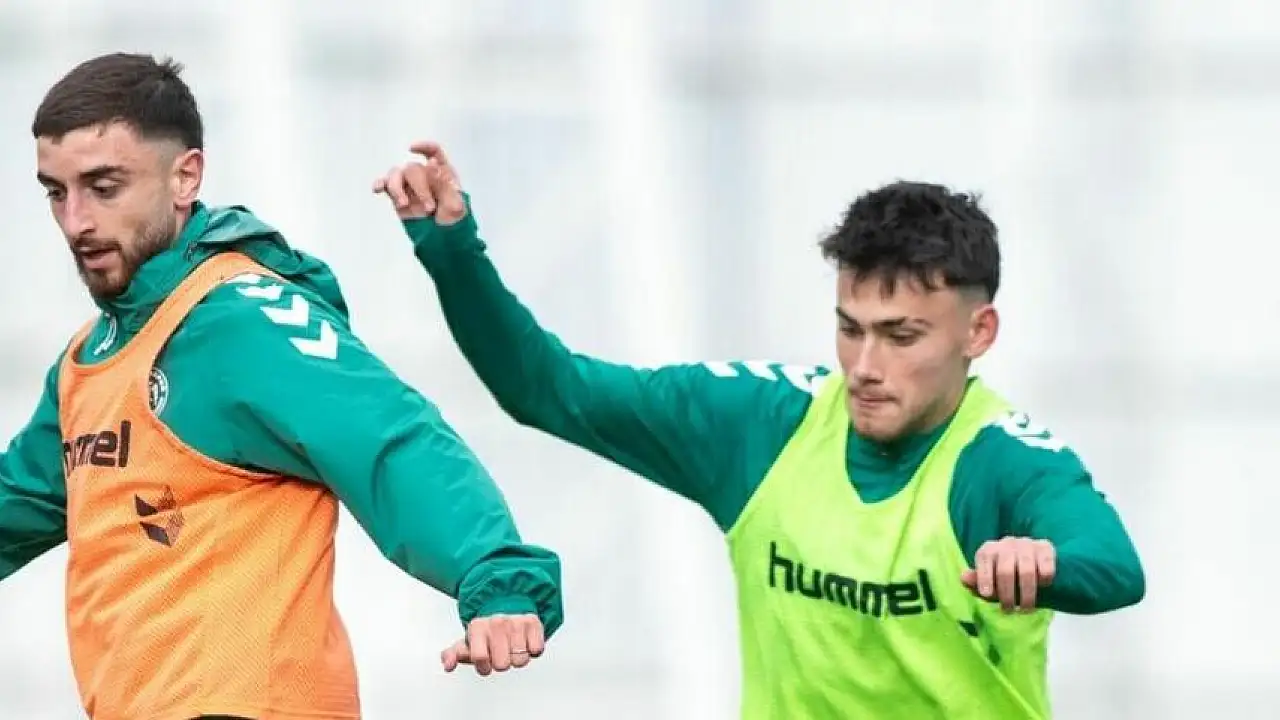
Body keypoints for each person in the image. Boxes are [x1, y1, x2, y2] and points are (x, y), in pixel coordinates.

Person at [374, 141, 1147, 719]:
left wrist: (1041, 562)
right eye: (850, 328)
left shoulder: (1004, 461)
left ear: (979, 333)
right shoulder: (760, 424)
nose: (865, 366)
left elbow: (1114, 566)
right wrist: (453, 253)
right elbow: (548, 389)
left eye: (901, 336)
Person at [8, 54, 562, 720]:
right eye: (56, 193)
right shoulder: (89, 360)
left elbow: (391, 435)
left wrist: (496, 574)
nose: (76, 221)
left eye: (103, 187)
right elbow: (17, 502)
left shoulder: (244, 315)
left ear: (186, 176)